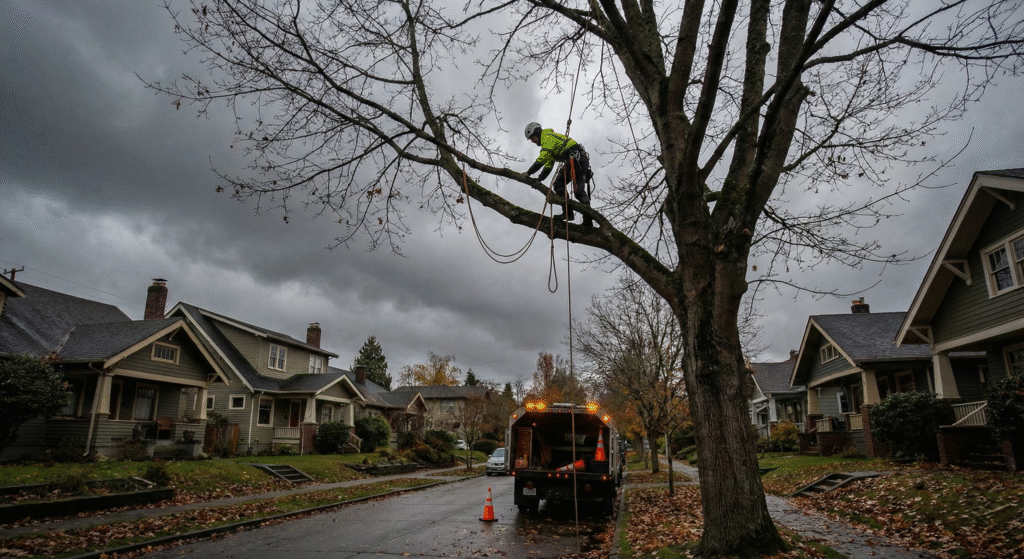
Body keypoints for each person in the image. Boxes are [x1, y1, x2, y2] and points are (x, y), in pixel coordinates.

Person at [523, 122, 594, 227]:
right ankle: (587, 221)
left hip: (574, 159)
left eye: (532, 137)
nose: (532, 141)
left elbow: (542, 159)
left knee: (559, 185)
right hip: (580, 160)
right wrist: (539, 179)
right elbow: (548, 164)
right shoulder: (548, 139)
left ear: (537, 133)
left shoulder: (547, 138)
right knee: (579, 191)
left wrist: (528, 172)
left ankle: (569, 213)